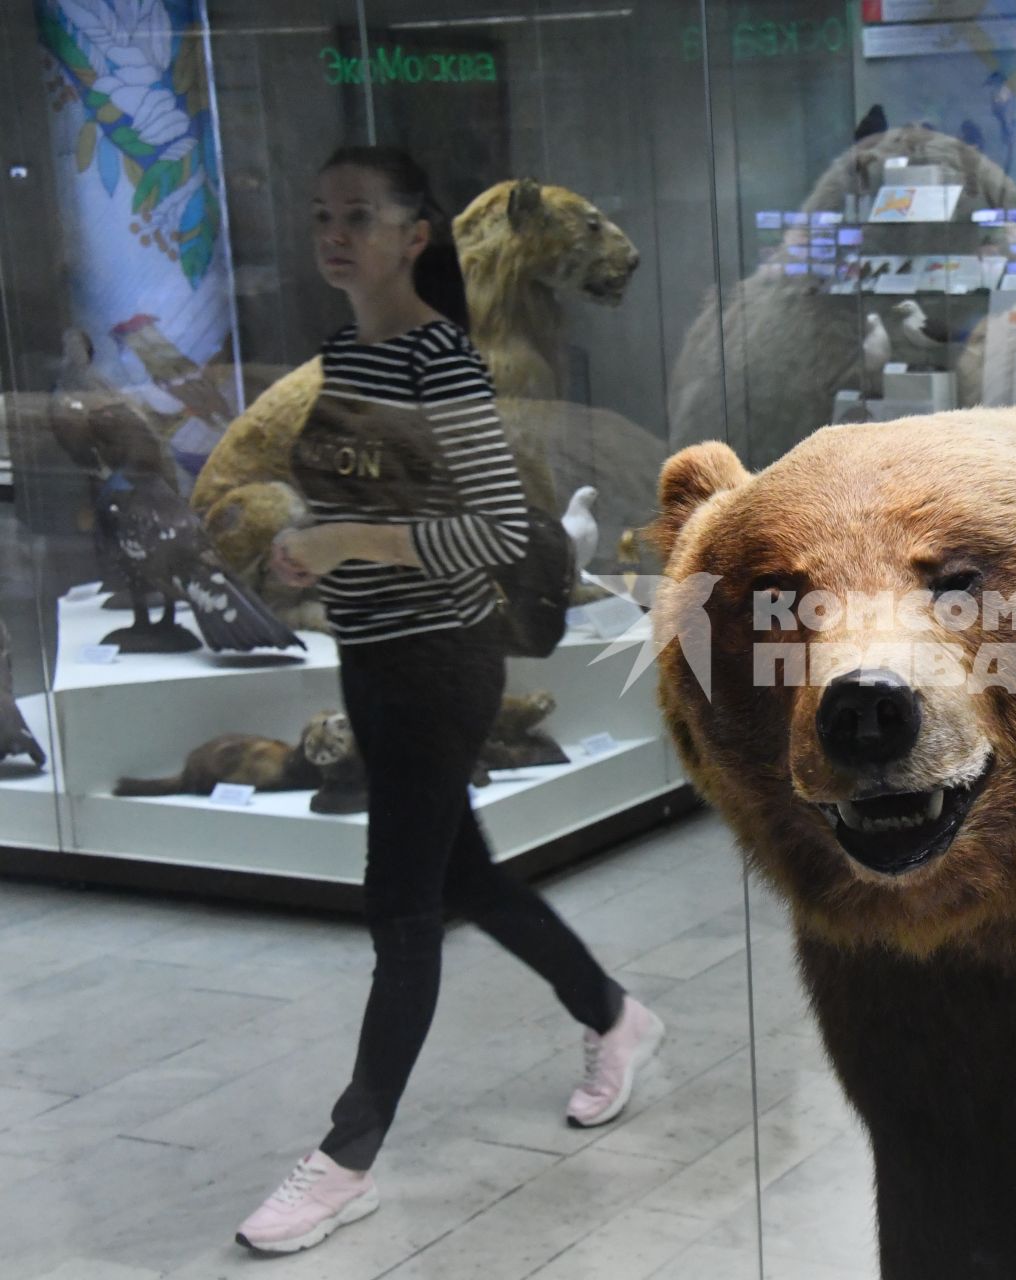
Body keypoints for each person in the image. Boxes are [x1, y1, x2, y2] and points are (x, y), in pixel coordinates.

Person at [236, 146, 664, 1255]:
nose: (335, 233)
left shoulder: (439, 358)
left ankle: (346, 1157)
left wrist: (343, 539)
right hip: (372, 655)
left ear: (413, 234)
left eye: (360, 216)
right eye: (322, 213)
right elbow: (373, 496)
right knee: (463, 871)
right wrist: (309, 551)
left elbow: (489, 529)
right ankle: (616, 1014)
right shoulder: (348, 348)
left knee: (402, 910)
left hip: (438, 662)